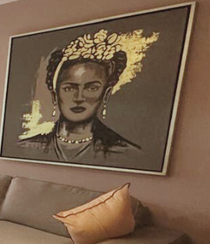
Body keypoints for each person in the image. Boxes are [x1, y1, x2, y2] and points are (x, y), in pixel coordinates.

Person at [20, 29, 140, 163]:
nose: (79, 98)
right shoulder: (28, 147)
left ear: (105, 94)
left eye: (91, 88)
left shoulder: (124, 152)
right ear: (55, 95)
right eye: (69, 88)